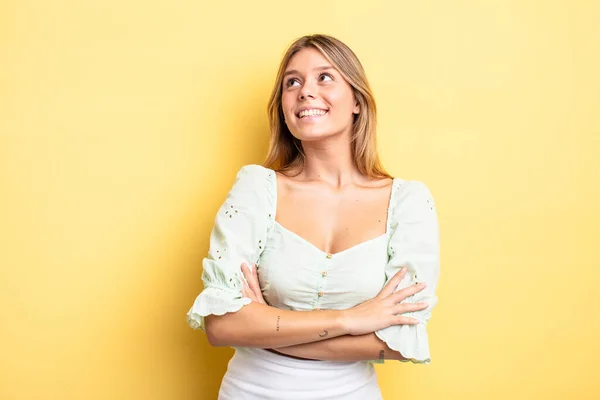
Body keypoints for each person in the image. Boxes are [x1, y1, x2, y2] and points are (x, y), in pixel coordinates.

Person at [187, 34, 440, 400]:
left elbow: (403, 341)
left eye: (324, 77)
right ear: (283, 106)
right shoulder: (256, 188)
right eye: (293, 82)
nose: (305, 91)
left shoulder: (408, 203)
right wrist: (350, 320)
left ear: (356, 100)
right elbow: (221, 325)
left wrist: (267, 330)